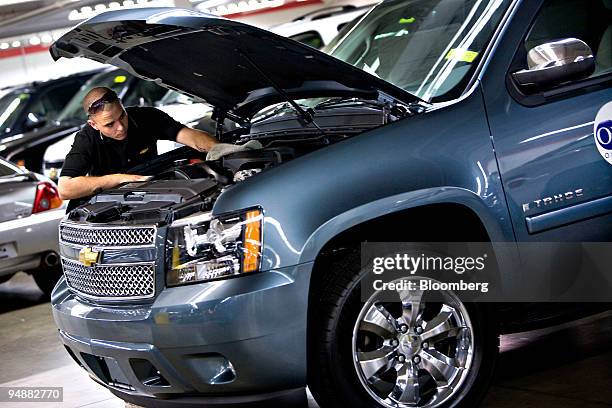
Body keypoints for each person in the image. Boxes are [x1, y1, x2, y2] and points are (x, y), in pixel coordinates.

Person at [58, 86, 220, 210]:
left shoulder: (147, 117)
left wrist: (220, 149)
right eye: (109, 124)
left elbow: (189, 135)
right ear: (93, 125)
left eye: (122, 116)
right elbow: (65, 188)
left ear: (122, 106)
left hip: (154, 196)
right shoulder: (86, 139)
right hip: (111, 205)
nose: (120, 127)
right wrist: (121, 178)